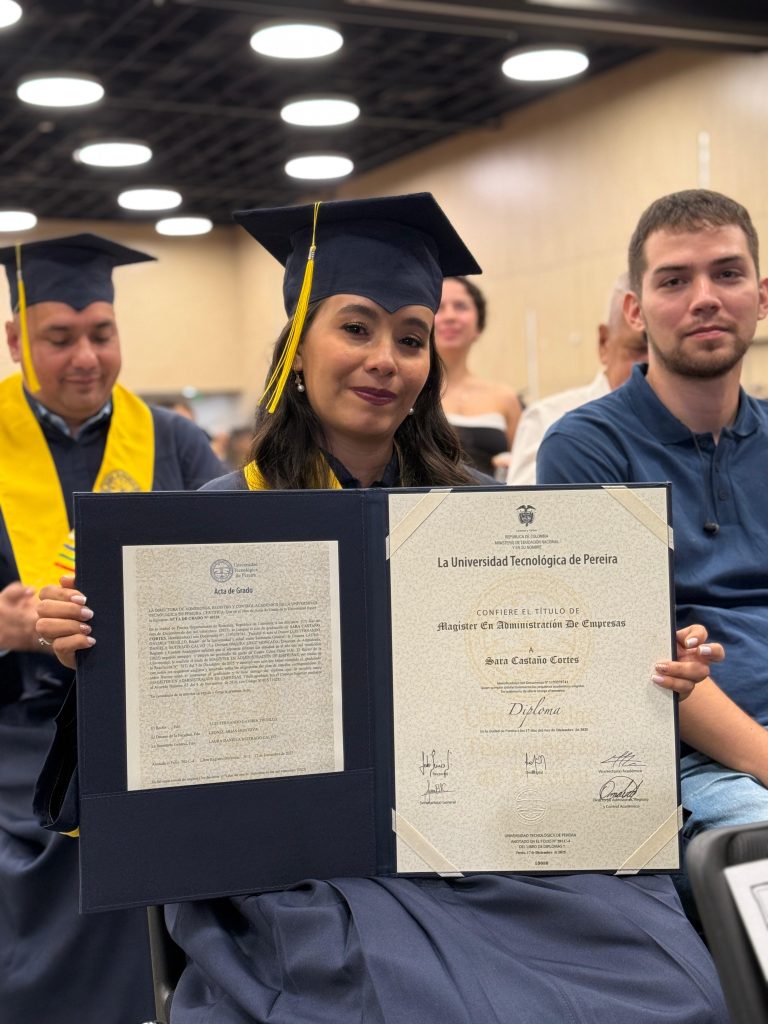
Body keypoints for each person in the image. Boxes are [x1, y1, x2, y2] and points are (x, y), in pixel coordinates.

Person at [37, 196, 728, 1024]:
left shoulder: (484, 517)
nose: (384, 360)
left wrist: (647, 662)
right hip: (298, 865)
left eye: (410, 337)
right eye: (356, 328)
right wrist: (97, 653)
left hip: (489, 844)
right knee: (400, 998)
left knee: (669, 980)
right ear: (298, 346)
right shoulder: (213, 523)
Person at [0, 233, 224, 1024]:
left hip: (156, 732)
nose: (86, 357)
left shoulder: (175, 442)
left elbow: (229, 571)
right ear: (16, 339)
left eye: (102, 333)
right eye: (59, 338)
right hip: (18, 739)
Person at [537, 189, 768, 863]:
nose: (705, 298)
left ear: (761, 296)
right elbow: (630, 653)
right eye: (674, 280)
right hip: (692, 756)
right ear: (635, 311)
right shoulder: (585, 447)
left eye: (727, 273)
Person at [506, 273, 647, 485]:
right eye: (640, 350)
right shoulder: (545, 422)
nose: (654, 368)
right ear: (604, 342)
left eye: (667, 356)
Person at [435, 275, 522, 476]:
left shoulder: (505, 398)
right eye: (439, 307)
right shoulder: (409, 394)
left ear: (479, 326)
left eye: (460, 306)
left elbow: (524, 470)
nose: (450, 316)